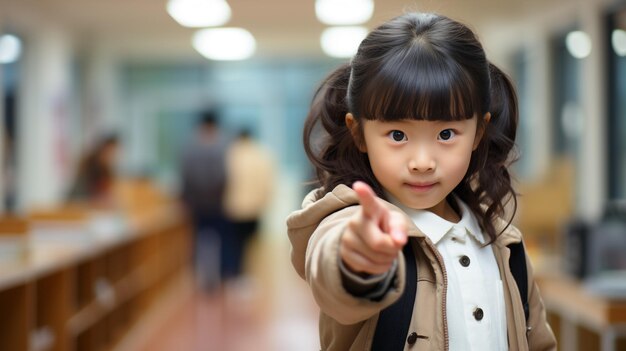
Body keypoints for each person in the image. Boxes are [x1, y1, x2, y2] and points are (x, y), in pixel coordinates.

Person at [286, 12, 557, 351]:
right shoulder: (354, 223)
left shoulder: (505, 244)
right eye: (397, 135)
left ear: (478, 133)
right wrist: (358, 258)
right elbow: (334, 270)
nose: (422, 163)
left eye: (446, 134)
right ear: (359, 134)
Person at [180, 110, 229, 291]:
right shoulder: (224, 144)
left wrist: (185, 199)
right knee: (222, 240)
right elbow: (225, 176)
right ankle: (220, 277)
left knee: (197, 240)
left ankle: (199, 277)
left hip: (196, 203)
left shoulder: (190, 146)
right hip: (218, 202)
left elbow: (185, 175)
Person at [223, 129, 275, 280]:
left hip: (233, 208)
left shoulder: (230, 154)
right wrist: (264, 202)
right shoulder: (261, 154)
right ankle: (248, 275)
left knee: (235, 244)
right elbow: (267, 182)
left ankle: (235, 274)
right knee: (252, 244)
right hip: (254, 208)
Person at [67, 133, 120, 207]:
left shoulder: (106, 169)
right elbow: (88, 196)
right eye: (111, 151)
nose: (113, 156)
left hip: (86, 206)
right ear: (104, 148)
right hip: (77, 205)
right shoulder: (91, 165)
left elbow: (107, 194)